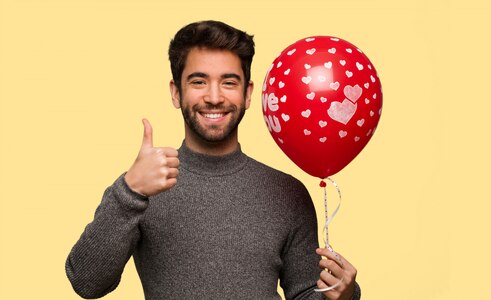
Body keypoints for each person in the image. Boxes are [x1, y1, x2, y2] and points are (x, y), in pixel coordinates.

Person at [65, 20, 360, 300]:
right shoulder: (145, 184)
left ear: (247, 94)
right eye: (198, 81)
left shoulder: (288, 192)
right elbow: (87, 282)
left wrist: (344, 294)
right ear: (176, 93)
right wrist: (130, 191)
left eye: (229, 82)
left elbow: (306, 294)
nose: (214, 97)